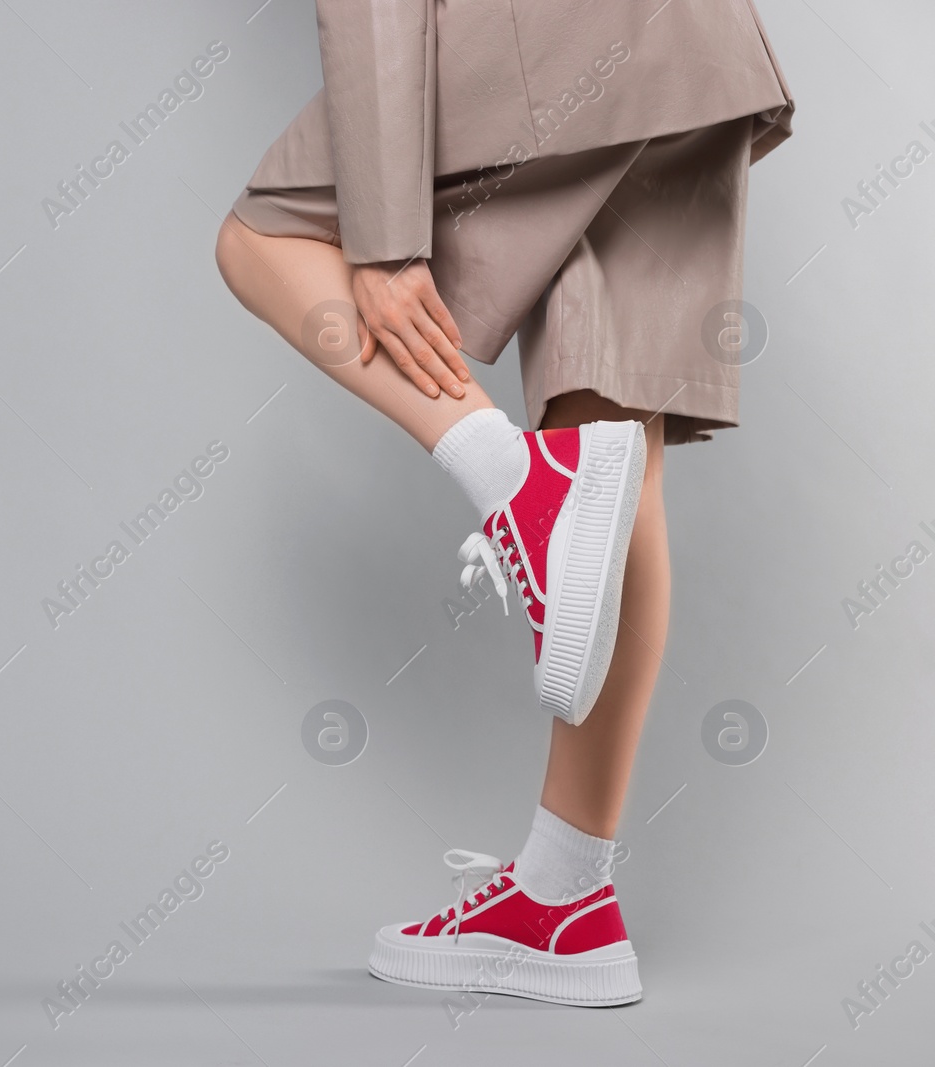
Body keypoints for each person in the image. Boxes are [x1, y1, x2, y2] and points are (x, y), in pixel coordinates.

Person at [215, 0, 793, 1005]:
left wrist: (388, 239)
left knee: (260, 238)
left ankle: (510, 479)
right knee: (609, 431)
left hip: (573, 38)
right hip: (700, 44)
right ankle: (562, 905)